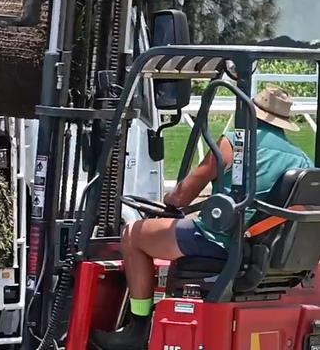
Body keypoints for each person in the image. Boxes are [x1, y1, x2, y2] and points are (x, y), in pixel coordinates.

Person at [91, 86, 313, 350]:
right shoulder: (301, 159)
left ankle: (137, 328)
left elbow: (184, 194)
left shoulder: (235, 142)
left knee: (134, 234)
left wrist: (173, 200)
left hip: (220, 242)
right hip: (260, 250)